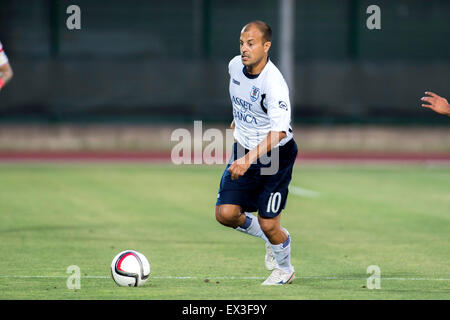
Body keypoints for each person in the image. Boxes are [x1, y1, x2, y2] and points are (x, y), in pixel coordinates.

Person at [215, 21, 298, 285]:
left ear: (266, 46)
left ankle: (285, 269)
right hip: (244, 147)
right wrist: (238, 119)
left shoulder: (274, 84)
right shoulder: (234, 66)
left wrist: (248, 159)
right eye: (241, 43)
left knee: (269, 223)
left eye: (251, 43)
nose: (244, 49)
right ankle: (269, 239)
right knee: (226, 214)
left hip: (276, 156)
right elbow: (240, 98)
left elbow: (280, 132)